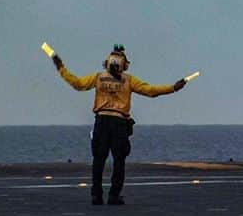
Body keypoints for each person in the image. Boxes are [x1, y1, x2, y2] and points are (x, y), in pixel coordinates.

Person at [51, 44, 186, 205]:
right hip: (119, 123)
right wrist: (173, 88)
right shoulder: (128, 80)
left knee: (98, 160)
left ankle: (96, 195)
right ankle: (114, 195)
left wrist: (61, 68)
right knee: (119, 160)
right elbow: (151, 91)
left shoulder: (98, 77)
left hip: (101, 122)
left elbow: (77, 83)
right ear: (125, 64)